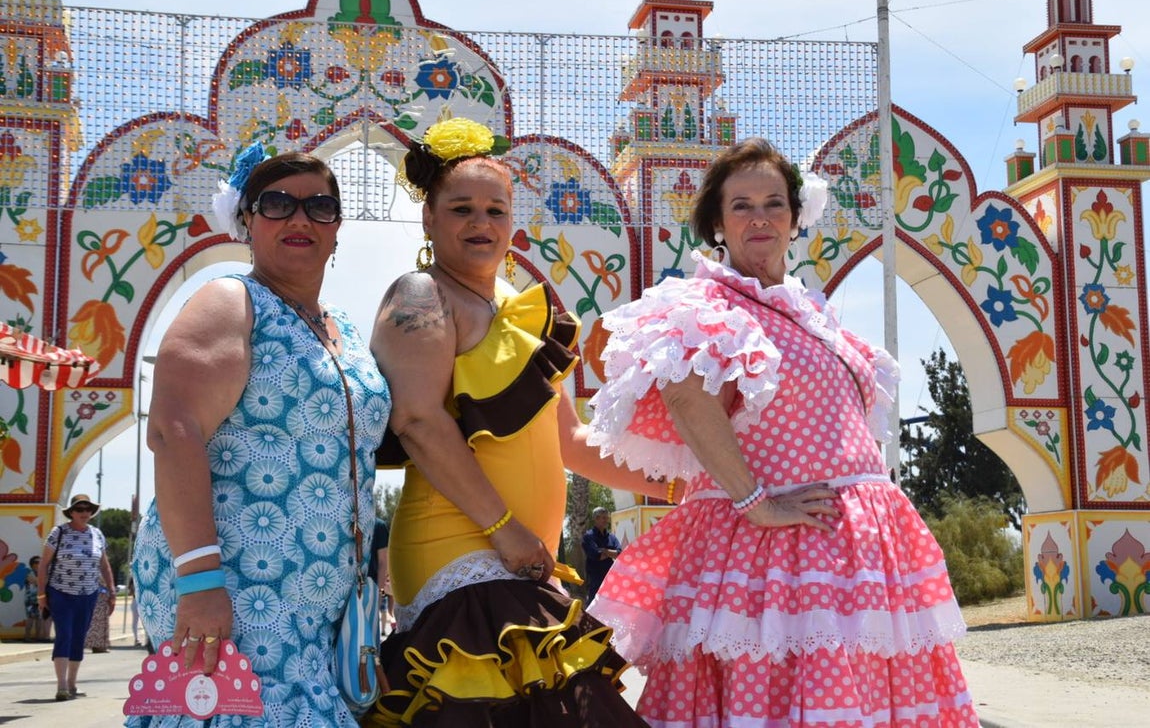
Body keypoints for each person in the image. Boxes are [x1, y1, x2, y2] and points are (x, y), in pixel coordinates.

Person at [585, 138, 978, 727]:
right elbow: (687, 397)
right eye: (741, 205)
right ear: (717, 222)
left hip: (851, 561)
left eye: (774, 202)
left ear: (796, 217)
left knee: (864, 699)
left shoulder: (805, 311)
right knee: (777, 695)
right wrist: (757, 503)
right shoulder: (711, 304)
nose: (760, 217)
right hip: (773, 559)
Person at [367, 117, 664, 727]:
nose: (481, 223)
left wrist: (685, 483)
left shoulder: (517, 307)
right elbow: (420, 422)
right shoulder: (421, 296)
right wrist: (502, 529)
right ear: (429, 218)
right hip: (462, 548)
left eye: (495, 210)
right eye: (462, 209)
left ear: (513, 220)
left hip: (519, 553)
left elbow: (573, 444)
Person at [126, 146, 391, 728]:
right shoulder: (232, 300)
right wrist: (199, 579)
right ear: (246, 220)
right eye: (278, 204)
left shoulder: (341, 326)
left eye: (320, 206)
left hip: (315, 597)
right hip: (235, 583)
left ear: (337, 229)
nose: (300, 219)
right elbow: (174, 430)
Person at [36, 493, 115, 701]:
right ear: (71, 512)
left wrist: (112, 591)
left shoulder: (97, 534)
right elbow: (43, 565)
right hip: (61, 592)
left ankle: (72, 683)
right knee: (65, 634)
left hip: (88, 594)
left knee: (79, 637)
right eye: (79, 509)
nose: (84, 513)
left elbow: (104, 565)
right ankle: (61, 685)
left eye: (88, 509)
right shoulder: (58, 532)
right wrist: (42, 595)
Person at [581, 507, 622, 604]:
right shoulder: (588, 536)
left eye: (606, 518)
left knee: (609, 605)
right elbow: (596, 555)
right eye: (603, 518)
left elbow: (620, 554)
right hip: (595, 578)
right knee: (593, 604)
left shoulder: (611, 537)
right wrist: (611, 553)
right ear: (596, 519)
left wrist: (604, 550)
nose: (606, 520)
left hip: (610, 577)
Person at [366, 517, 393, 639]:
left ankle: (372, 658)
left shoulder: (378, 526)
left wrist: (380, 593)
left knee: (369, 635)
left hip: (371, 589)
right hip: (346, 588)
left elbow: (383, 562)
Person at [84, 576, 112, 653]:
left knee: (99, 625)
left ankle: (99, 646)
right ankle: (96, 645)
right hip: (97, 603)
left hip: (101, 604)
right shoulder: (96, 573)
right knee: (94, 625)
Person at [23, 555, 44, 642]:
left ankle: (38, 637)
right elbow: (37, 582)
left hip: (39, 599)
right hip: (30, 599)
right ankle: (27, 637)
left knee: (39, 618)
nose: (39, 563)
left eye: (40, 562)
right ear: (32, 564)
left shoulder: (41, 573)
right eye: (36, 562)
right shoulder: (29, 573)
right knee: (30, 618)